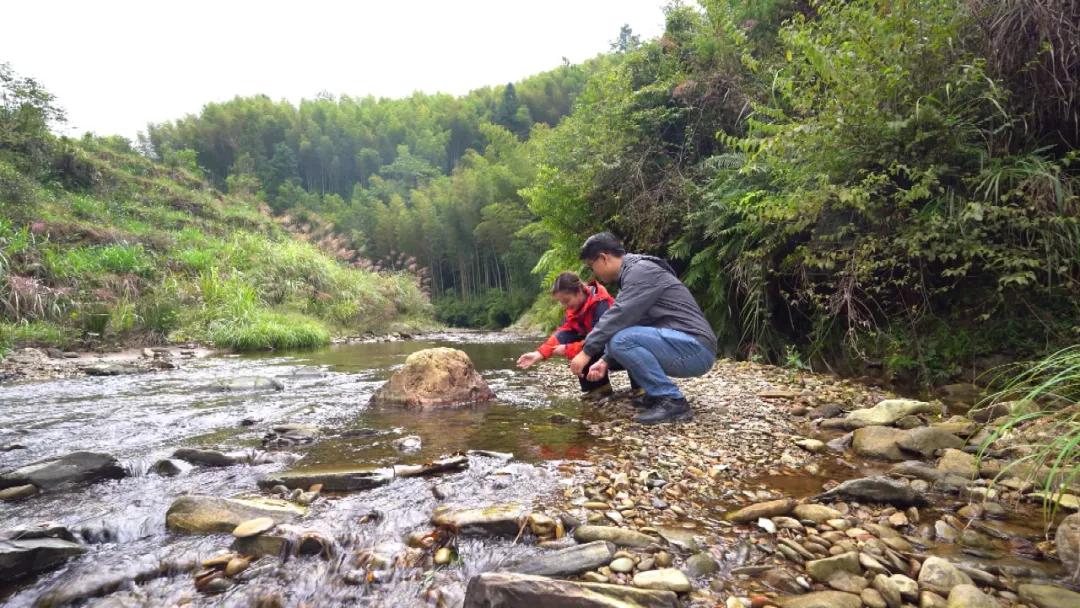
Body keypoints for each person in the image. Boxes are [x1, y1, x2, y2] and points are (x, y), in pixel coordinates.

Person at [569, 232, 717, 424]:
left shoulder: (640, 272)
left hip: (695, 349)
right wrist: (605, 359)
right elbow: (634, 322)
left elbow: (618, 316)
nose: (593, 273)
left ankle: (672, 401)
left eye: (592, 267)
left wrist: (586, 352)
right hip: (685, 345)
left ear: (604, 258)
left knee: (620, 340)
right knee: (620, 340)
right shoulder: (635, 273)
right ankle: (657, 395)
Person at [517, 272, 616, 399]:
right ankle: (598, 389)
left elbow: (601, 339)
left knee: (583, 348)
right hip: (600, 349)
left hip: (617, 350)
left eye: (566, 301)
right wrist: (539, 354)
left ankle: (640, 387)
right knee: (578, 343)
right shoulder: (575, 308)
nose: (564, 305)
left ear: (579, 291)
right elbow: (564, 333)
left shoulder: (601, 303)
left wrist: (568, 349)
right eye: (561, 302)